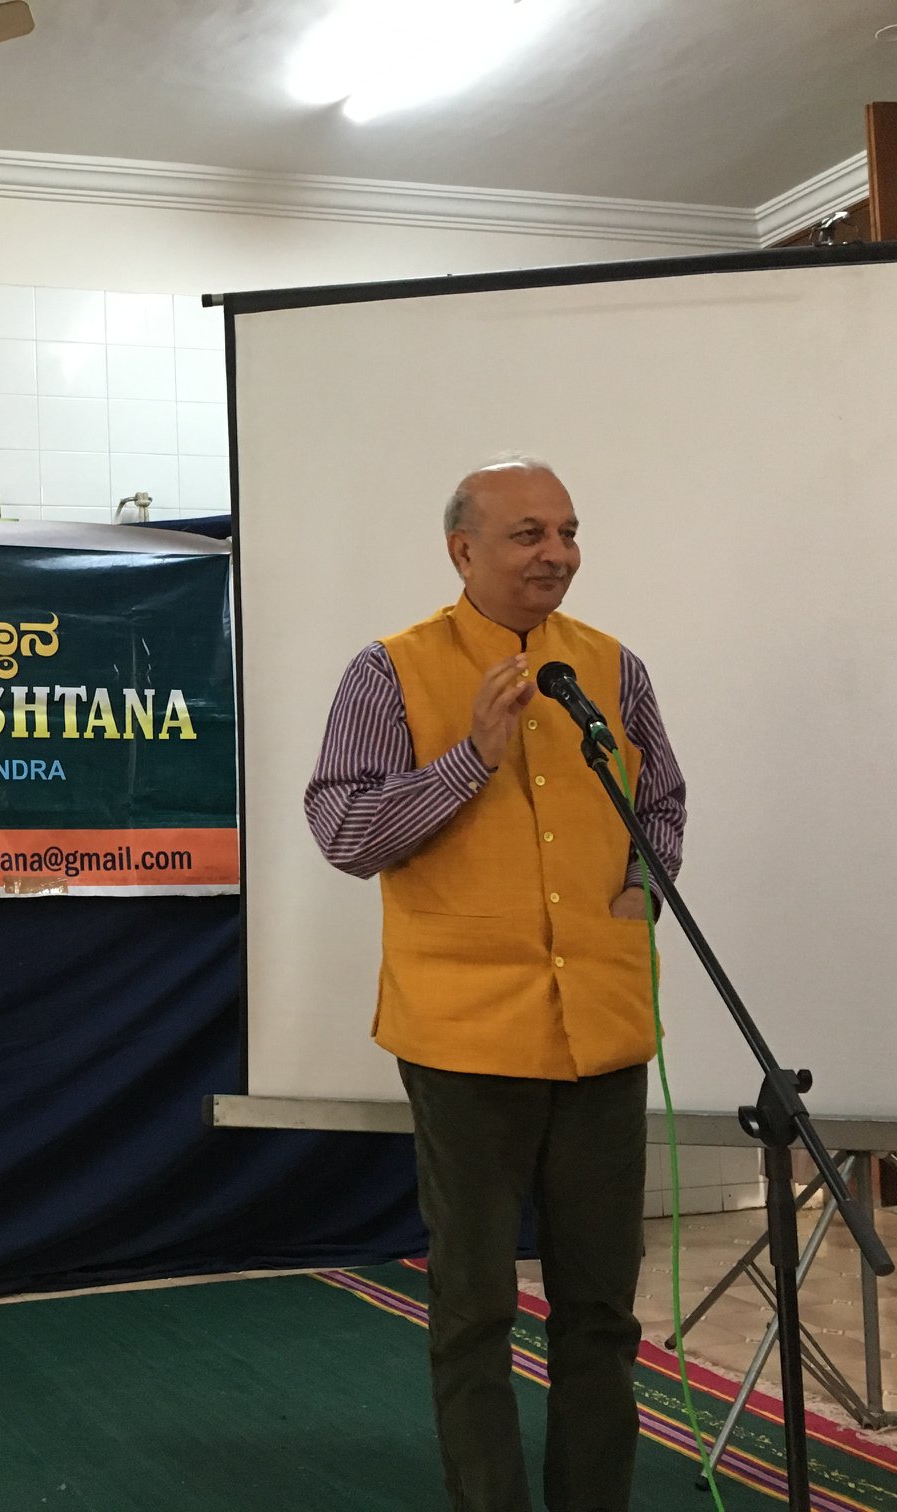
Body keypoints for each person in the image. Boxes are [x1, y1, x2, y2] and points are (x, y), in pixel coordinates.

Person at [305, 456, 686, 1512]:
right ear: (462, 550)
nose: (557, 554)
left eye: (568, 532)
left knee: (600, 1312)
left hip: (602, 1030)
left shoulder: (611, 667)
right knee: (475, 1310)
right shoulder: (389, 672)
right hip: (462, 1041)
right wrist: (470, 758)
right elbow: (345, 832)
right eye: (529, 535)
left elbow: (661, 801)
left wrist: (641, 892)